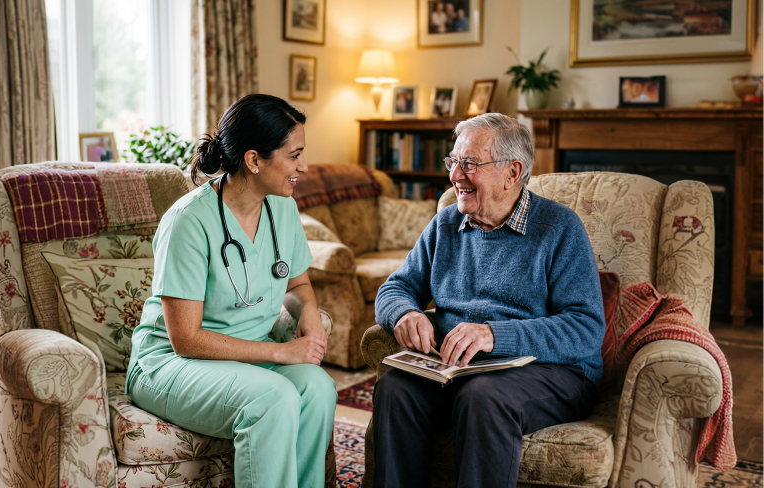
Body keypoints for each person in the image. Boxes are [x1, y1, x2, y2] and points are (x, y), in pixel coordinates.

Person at [371, 113, 604, 488]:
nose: (455, 175)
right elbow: (394, 288)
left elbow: (585, 329)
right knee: (396, 388)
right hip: (458, 368)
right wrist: (404, 314)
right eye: (453, 162)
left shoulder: (560, 228)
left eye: (470, 164)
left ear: (512, 173)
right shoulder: (445, 225)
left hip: (551, 372)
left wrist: (494, 335)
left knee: (483, 397)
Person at [126, 94, 336, 488]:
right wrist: (281, 352)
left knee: (319, 388)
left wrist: (307, 310)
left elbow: (297, 282)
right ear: (254, 160)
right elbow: (185, 339)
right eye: (294, 155)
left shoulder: (283, 208)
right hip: (172, 364)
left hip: (244, 356)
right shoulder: (189, 221)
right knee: (273, 398)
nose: (304, 166)